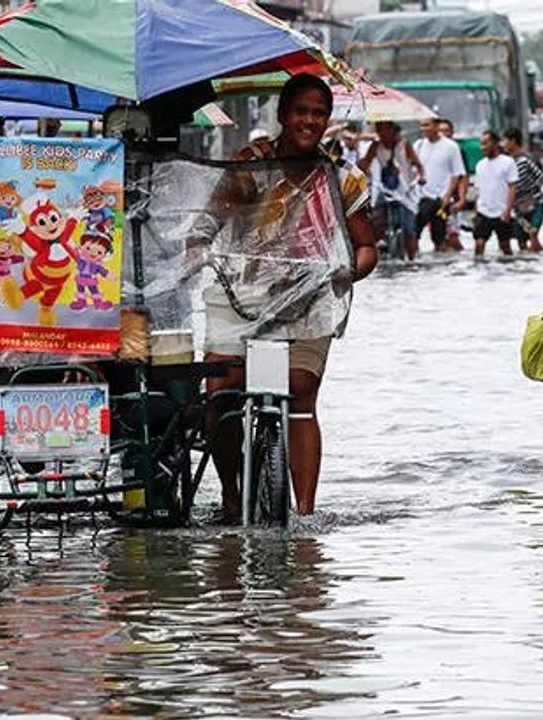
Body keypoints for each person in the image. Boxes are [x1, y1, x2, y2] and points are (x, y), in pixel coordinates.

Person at [197, 73, 378, 520]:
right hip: (243, 295)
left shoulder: (343, 178)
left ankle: (306, 513)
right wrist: (195, 249)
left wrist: (344, 274)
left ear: (328, 121)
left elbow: (367, 248)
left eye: (319, 114)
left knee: (301, 393)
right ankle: (231, 495)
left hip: (311, 299)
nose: (309, 121)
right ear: (282, 116)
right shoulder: (250, 165)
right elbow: (208, 223)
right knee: (220, 393)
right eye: (301, 112)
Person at [358, 121, 425, 260]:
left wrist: (421, 177)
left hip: (405, 191)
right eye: (378, 130)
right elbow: (365, 164)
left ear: (392, 129)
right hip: (383, 190)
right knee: (375, 222)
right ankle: (378, 250)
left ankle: (412, 260)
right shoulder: (376, 145)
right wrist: (360, 166)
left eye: (383, 129)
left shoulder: (404, 144)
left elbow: (418, 165)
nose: (380, 133)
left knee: (409, 229)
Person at [503, 127, 543, 253]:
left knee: (533, 234)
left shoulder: (526, 161)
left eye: (505, 141)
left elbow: (542, 178)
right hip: (518, 209)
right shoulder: (505, 163)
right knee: (521, 242)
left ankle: (539, 262)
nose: (503, 144)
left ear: (513, 141)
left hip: (535, 203)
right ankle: (527, 267)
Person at [413, 117, 467, 253]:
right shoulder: (418, 145)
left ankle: (442, 268)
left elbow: (457, 174)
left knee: (440, 237)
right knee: (414, 232)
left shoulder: (451, 147)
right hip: (421, 198)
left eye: (427, 125)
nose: (423, 129)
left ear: (436, 126)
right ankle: (414, 262)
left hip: (441, 199)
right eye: (421, 125)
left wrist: (448, 196)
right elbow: (412, 168)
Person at [469, 130, 518, 257]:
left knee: (505, 246)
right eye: (481, 144)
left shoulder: (508, 162)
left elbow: (513, 187)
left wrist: (508, 210)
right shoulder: (480, 165)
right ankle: (479, 271)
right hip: (483, 211)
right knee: (479, 244)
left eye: (485, 143)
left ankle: (511, 269)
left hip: (502, 212)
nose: (482, 147)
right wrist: (475, 211)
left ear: (495, 144)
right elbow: (478, 190)